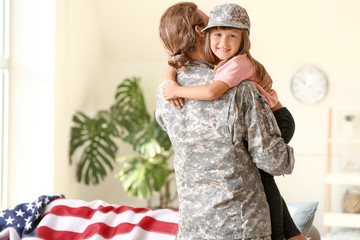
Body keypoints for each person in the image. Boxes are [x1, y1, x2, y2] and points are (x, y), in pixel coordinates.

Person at [161, 3, 306, 240]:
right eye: (213, 29)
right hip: (241, 225)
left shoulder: (165, 91)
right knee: (264, 172)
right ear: (202, 32)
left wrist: (171, 80)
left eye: (230, 33)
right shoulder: (241, 89)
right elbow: (273, 161)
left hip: (193, 227)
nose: (220, 38)